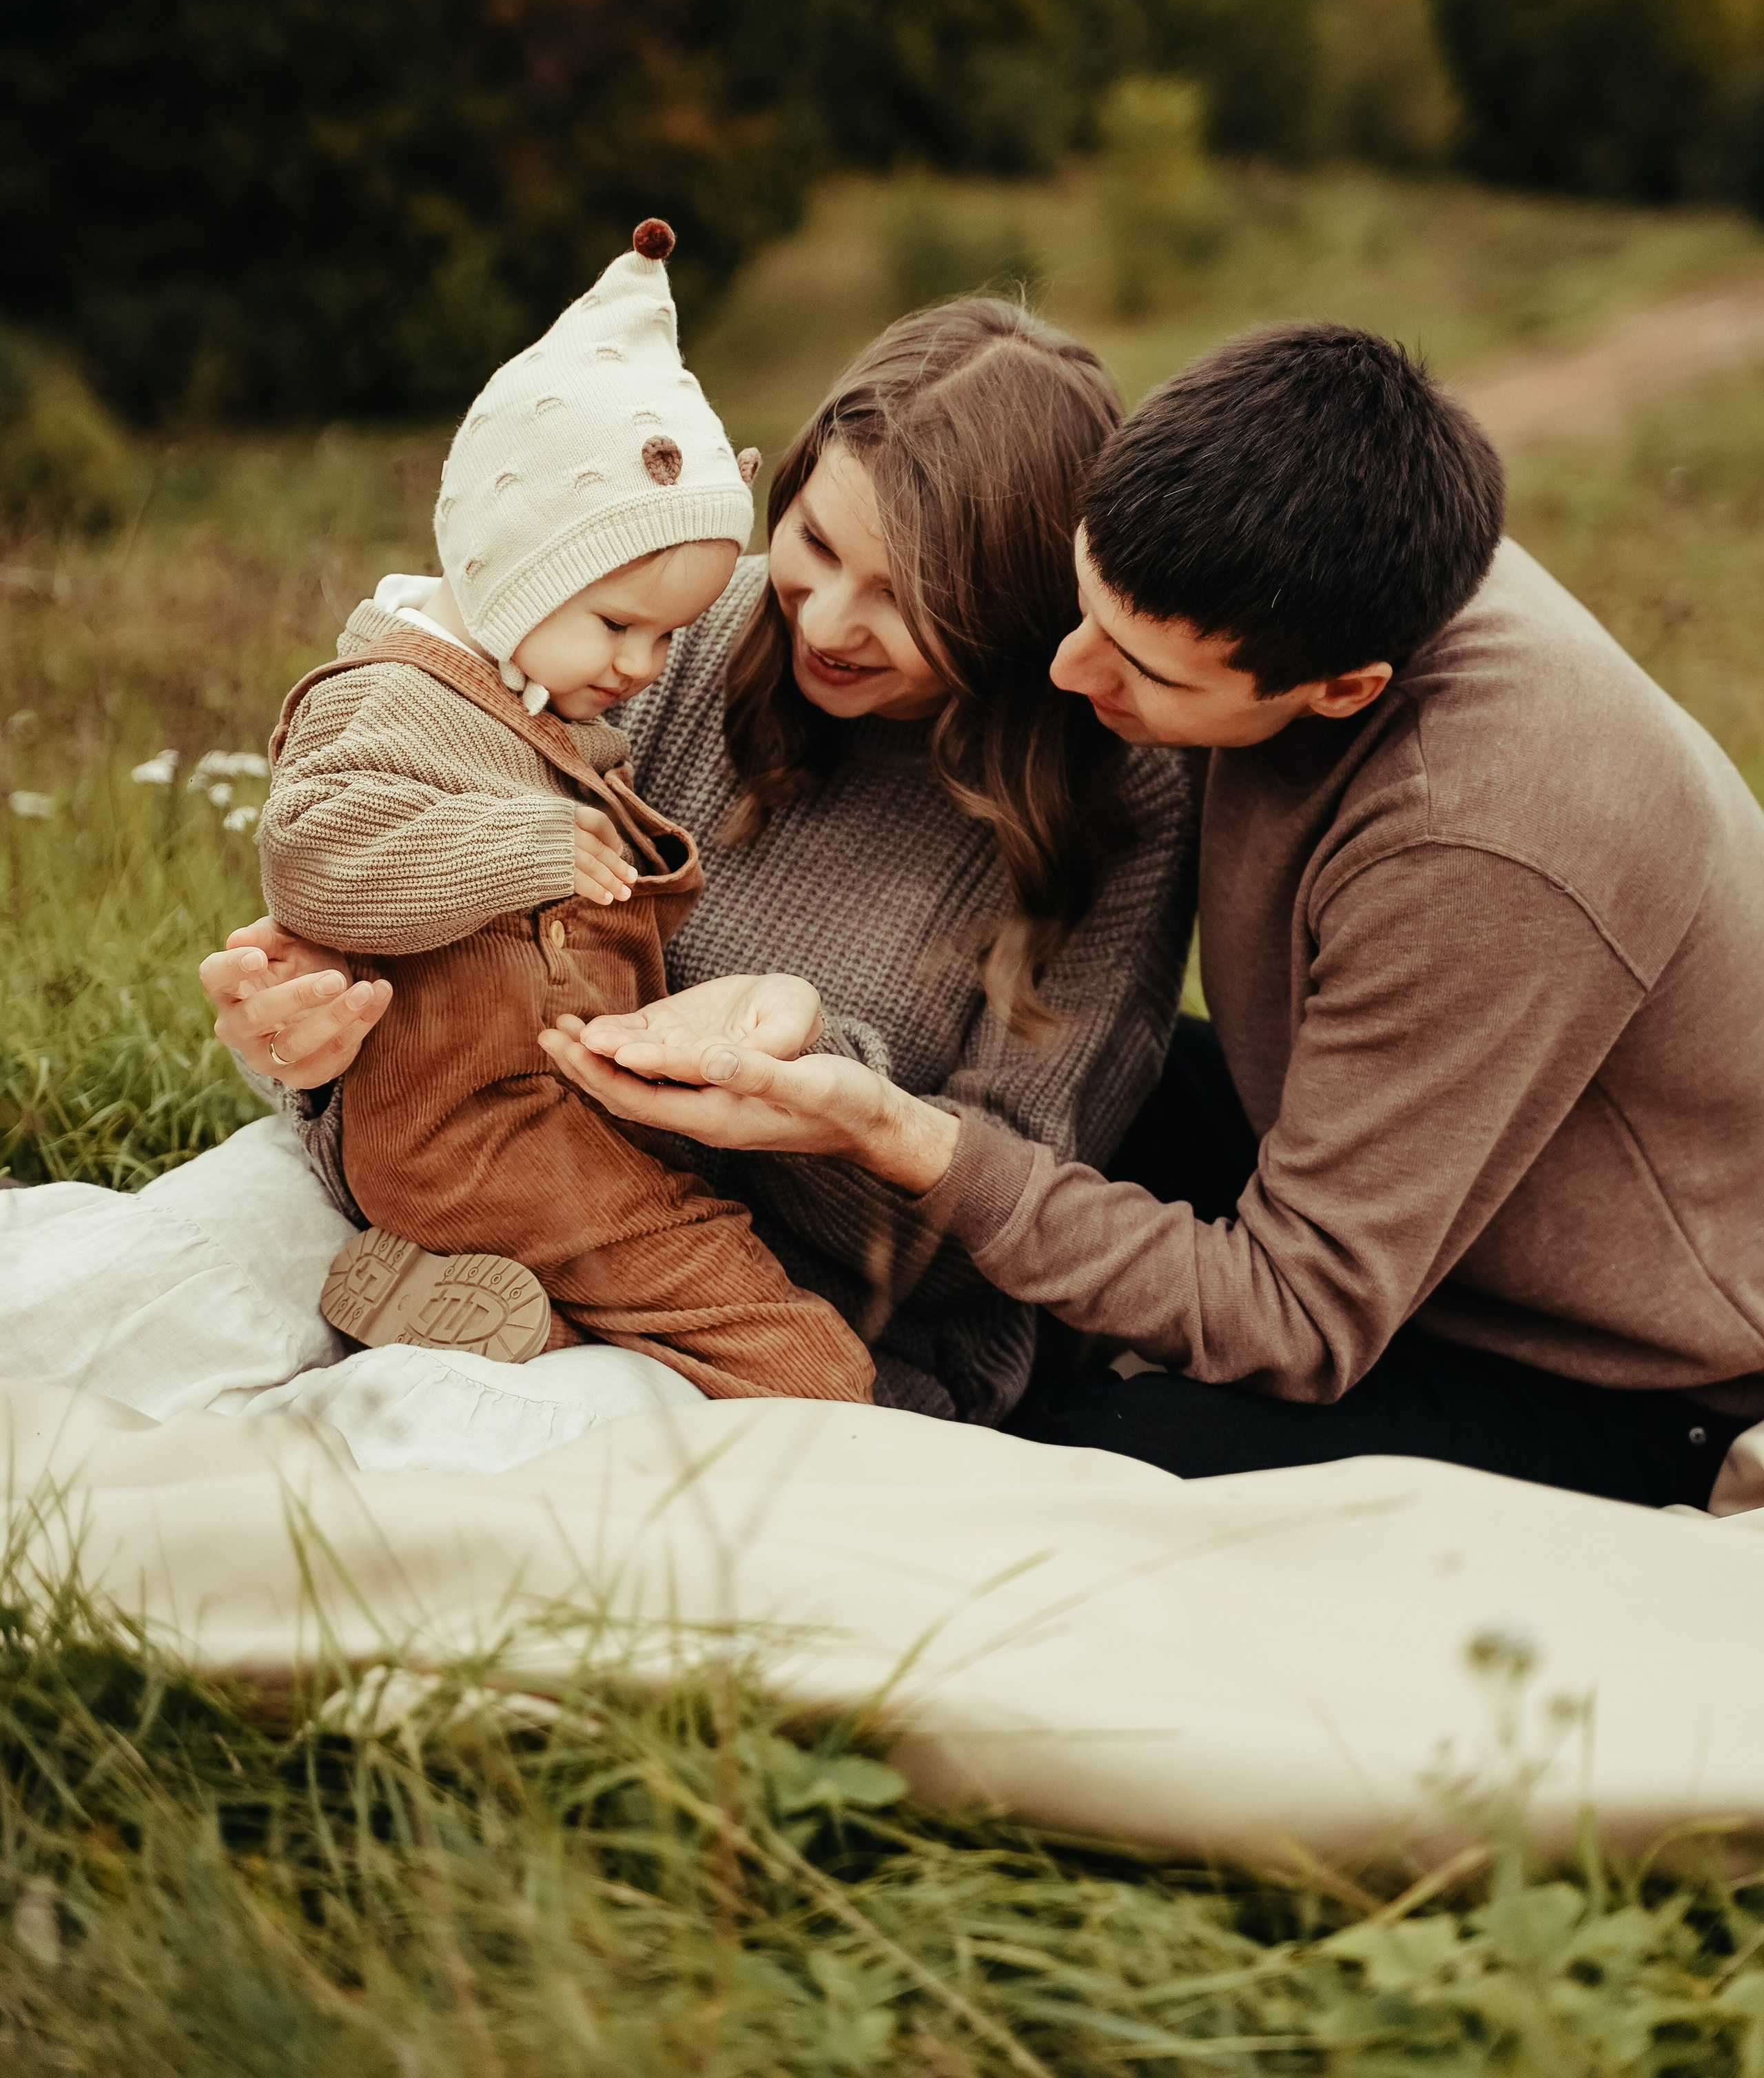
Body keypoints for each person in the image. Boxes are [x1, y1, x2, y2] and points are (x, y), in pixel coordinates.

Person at [540, 323, 1764, 1511]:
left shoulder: (1478, 843)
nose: (1067, 674)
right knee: (1085, 1098)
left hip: (1605, 1343)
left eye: (1146, 672)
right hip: (1369, 1149)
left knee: (1077, 1476)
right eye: (1081, 607)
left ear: (1343, 692)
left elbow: (1301, 1315)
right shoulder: (1309, 542)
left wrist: (895, 1131)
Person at [206, 298, 1195, 1425]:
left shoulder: (1117, 801)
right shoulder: (659, 626)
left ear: (1012, 611)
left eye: (906, 600)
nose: (827, 622)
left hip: (810, 1318)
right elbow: (442, 931)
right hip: (494, 1195)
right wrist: (314, 1039)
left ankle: (533, 1337)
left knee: (442, 1453)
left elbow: (998, 1244)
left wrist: (807, 1076)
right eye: (815, 546)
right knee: (150, 1301)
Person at [256, 219, 874, 1404]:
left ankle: (515, 1329)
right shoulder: (391, 697)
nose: (644, 665)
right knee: (807, 1360)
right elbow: (310, 852)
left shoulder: (530, 701)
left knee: (686, 1268)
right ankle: (753, 1398)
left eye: (669, 636)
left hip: (537, 1122)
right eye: (618, 625)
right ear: (510, 567)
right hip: (477, 1134)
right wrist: (528, 843)